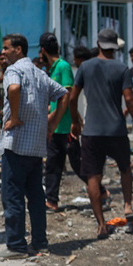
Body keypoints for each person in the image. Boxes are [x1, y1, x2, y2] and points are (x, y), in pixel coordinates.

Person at [0, 33, 67, 260]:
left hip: (15, 144)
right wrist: (52, 122)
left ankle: (15, 245)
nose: (3, 52)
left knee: (12, 196)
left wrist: (14, 117)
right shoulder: (39, 73)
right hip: (35, 146)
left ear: (18, 49)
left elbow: (14, 89)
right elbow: (64, 94)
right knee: (35, 196)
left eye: (6, 48)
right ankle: (40, 242)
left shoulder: (13, 71)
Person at [68, 28, 133, 239]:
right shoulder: (122, 69)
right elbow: (130, 99)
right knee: (125, 169)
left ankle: (101, 224)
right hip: (116, 129)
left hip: (92, 131)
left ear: (98, 44)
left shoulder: (85, 67)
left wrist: (75, 122)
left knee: (94, 176)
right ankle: (128, 206)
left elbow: (73, 98)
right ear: (115, 47)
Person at [39, 33, 79, 211]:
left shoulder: (63, 67)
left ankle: (100, 191)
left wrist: (70, 120)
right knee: (53, 165)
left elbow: (68, 96)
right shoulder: (52, 69)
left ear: (42, 50)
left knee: (77, 164)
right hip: (56, 126)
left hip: (64, 126)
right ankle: (51, 199)